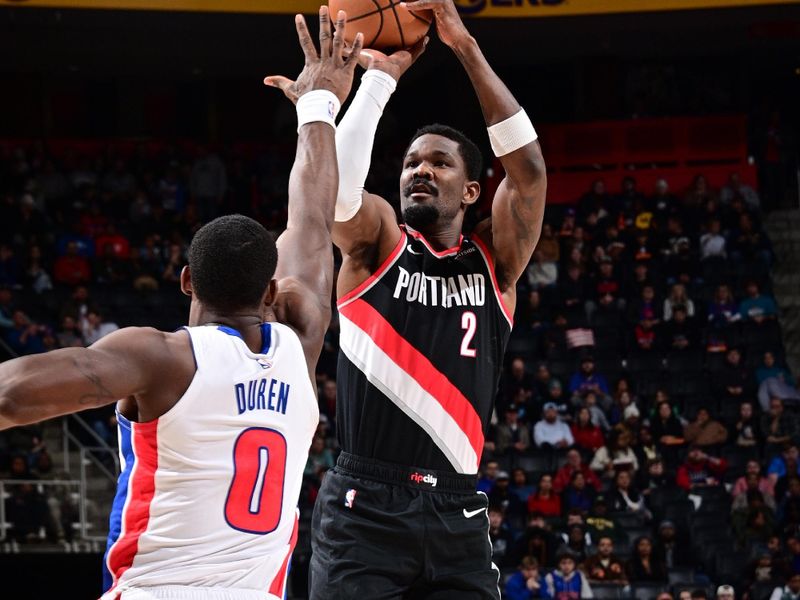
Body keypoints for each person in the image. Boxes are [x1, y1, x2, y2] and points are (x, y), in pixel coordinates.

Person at [0, 10, 361, 599]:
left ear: (187, 280)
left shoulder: (161, 358)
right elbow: (313, 218)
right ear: (271, 291)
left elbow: (12, 395)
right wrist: (319, 103)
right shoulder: (302, 340)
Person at [295, 1, 546, 596]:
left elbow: (530, 171)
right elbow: (337, 199)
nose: (419, 172)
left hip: (459, 509)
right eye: (410, 163)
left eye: (439, 162)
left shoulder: (496, 261)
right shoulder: (377, 245)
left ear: (473, 191)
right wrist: (379, 81)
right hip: (364, 506)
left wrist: (462, 45)